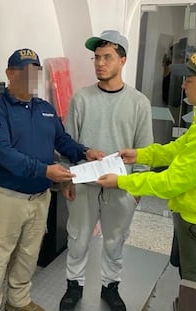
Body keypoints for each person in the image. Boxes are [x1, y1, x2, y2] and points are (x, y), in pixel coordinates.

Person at [97, 50, 196, 292]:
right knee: (190, 283)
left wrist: (122, 182)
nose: (183, 87)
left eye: (189, 82)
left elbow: (171, 182)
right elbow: (181, 147)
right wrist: (141, 154)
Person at [0, 48, 104, 311]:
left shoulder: (45, 109)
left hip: (40, 198)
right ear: (10, 74)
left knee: (28, 255)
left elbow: (62, 140)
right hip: (6, 199)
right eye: (24, 71)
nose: (31, 76)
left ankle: (18, 301)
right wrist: (46, 171)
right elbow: (5, 154)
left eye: (36, 71)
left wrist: (85, 151)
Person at [59, 30, 153, 311]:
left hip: (121, 186)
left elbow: (145, 149)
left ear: (122, 60)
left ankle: (111, 286)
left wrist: (138, 187)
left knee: (115, 240)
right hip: (84, 184)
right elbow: (68, 141)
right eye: (97, 57)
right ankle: (73, 284)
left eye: (107, 57)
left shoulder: (139, 103)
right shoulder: (81, 99)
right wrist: (67, 177)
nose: (100, 63)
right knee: (77, 237)